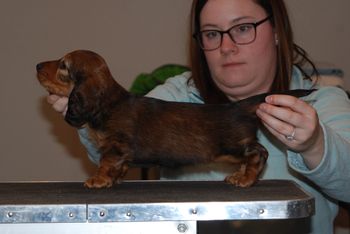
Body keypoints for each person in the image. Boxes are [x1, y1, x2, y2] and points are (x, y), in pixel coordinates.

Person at [47, 0, 350, 233]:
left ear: (276, 32)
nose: (227, 47)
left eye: (243, 28)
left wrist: (315, 145)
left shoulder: (323, 102)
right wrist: (87, 108)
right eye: (212, 33)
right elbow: (115, 139)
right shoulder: (177, 95)